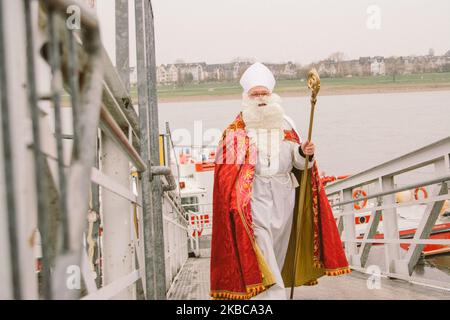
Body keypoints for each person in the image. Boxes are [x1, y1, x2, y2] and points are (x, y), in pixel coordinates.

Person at [210, 62, 350, 300]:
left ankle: (265, 296)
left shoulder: (286, 124)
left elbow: (297, 163)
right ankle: (274, 299)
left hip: (285, 196)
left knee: (276, 252)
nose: (261, 98)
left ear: (272, 95)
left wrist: (304, 153)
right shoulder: (235, 130)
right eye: (256, 94)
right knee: (261, 246)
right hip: (254, 199)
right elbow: (226, 176)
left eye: (265, 93)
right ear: (247, 97)